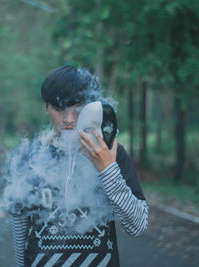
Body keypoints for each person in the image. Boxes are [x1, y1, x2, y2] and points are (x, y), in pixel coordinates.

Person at [10, 65, 148, 266]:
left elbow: (138, 226)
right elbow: (19, 225)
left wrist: (107, 169)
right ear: (46, 107)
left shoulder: (111, 153)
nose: (68, 119)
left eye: (78, 108)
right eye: (58, 109)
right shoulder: (28, 156)